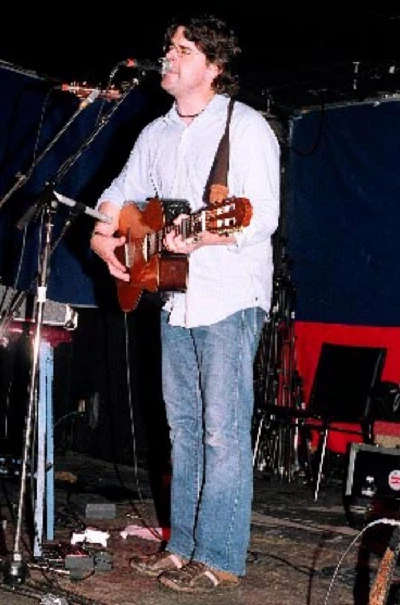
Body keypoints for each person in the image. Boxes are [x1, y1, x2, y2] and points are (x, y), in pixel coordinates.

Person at [90, 12, 280, 594]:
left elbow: (260, 217)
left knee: (221, 429)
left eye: (182, 48)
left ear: (213, 66)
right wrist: (104, 240)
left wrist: (203, 235)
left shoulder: (244, 128)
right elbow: (115, 199)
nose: (168, 57)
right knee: (184, 427)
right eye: (168, 47)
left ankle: (220, 557)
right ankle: (184, 548)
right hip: (176, 300)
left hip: (228, 297)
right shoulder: (156, 134)